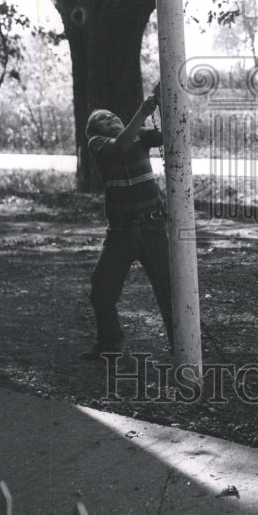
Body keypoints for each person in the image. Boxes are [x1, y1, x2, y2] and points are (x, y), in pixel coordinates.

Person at [84, 85, 174, 358]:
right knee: (101, 290)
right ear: (94, 131)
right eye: (102, 119)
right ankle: (110, 342)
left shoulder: (141, 138)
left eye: (112, 115)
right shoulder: (98, 145)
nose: (110, 118)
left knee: (168, 290)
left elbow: (170, 136)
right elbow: (121, 145)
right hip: (121, 233)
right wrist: (143, 111)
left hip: (152, 228)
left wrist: (165, 100)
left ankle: (181, 346)